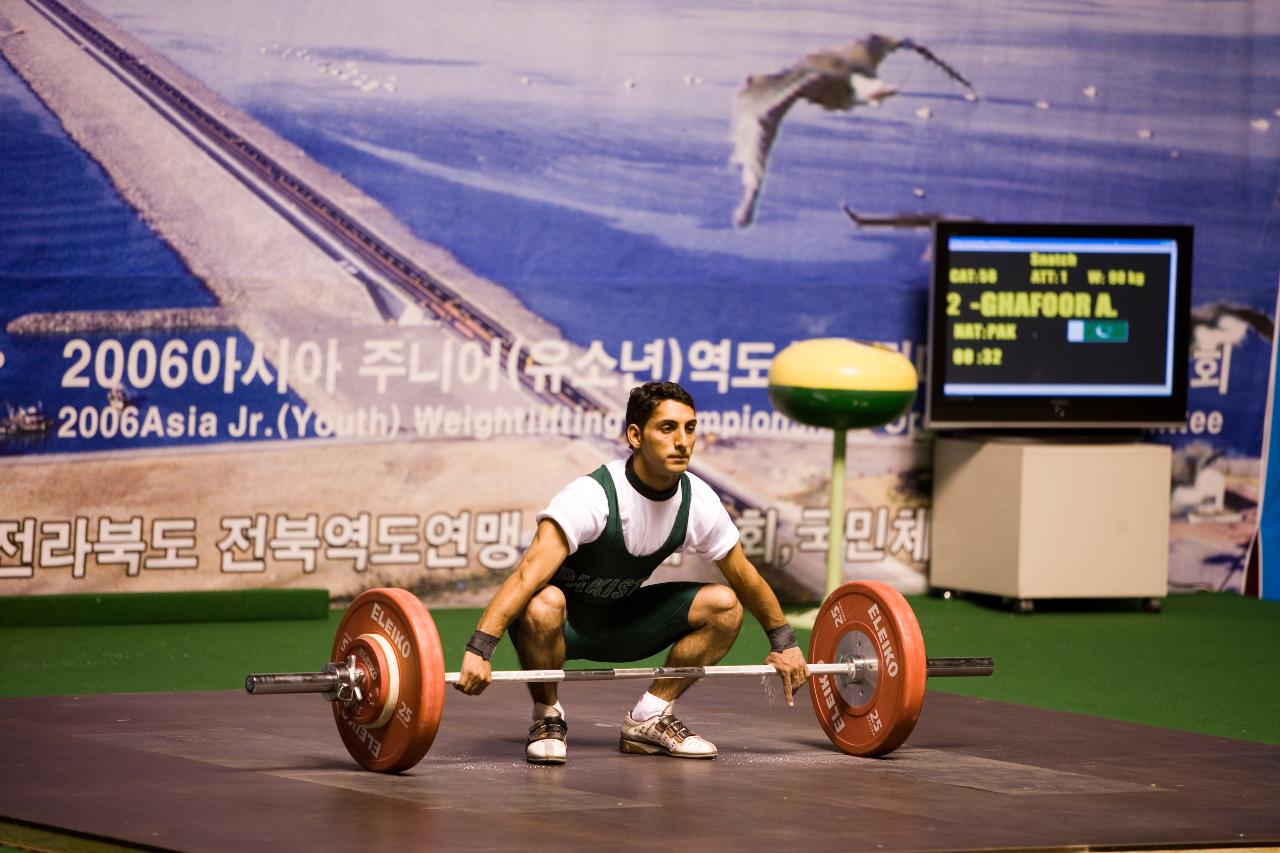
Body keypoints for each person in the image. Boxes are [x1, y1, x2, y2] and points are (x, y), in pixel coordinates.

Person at [454, 381, 809, 764]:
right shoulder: (592, 496)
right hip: (559, 628)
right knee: (545, 601)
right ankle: (548, 716)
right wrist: (479, 649)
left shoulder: (698, 500)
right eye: (668, 428)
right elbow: (527, 575)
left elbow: (745, 577)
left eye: (689, 428)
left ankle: (650, 717)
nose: (682, 441)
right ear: (635, 436)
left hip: (622, 622)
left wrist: (784, 643)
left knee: (725, 605)